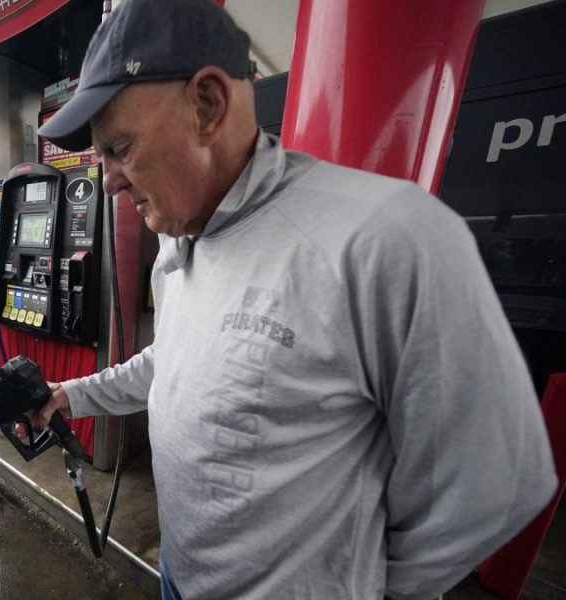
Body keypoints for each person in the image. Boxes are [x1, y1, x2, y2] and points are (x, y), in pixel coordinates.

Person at [33, 0, 558, 598]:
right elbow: (176, 362)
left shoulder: (383, 238)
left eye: (121, 148)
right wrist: (70, 396)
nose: (109, 181)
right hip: (179, 575)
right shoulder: (183, 240)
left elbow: (494, 479)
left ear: (207, 106)